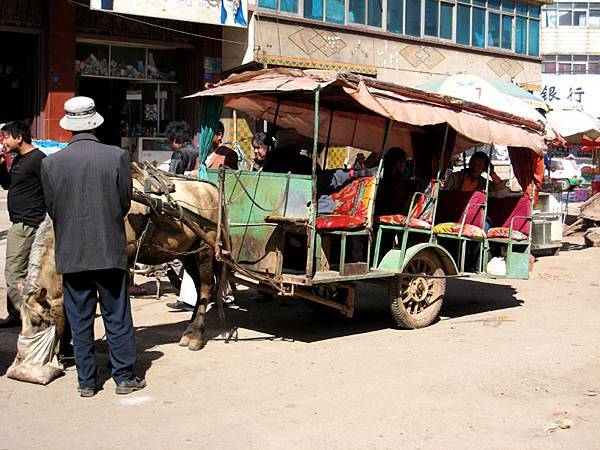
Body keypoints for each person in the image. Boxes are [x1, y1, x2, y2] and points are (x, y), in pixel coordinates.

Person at [41, 96, 145, 397]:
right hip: (109, 249)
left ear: (69, 126)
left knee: (80, 317)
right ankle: (123, 377)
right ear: (95, 121)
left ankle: (86, 380)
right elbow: (124, 202)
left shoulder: (50, 164)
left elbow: (53, 209)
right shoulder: (116, 157)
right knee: (117, 315)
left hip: (72, 253)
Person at [0, 121, 46, 328]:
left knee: (14, 271)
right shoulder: (19, 159)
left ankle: (26, 315)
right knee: (20, 271)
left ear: (19, 138)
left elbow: (49, 189)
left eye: (6, 137)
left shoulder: (38, 159)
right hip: (20, 221)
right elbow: (8, 184)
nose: (4, 142)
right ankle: (16, 313)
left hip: (28, 223)